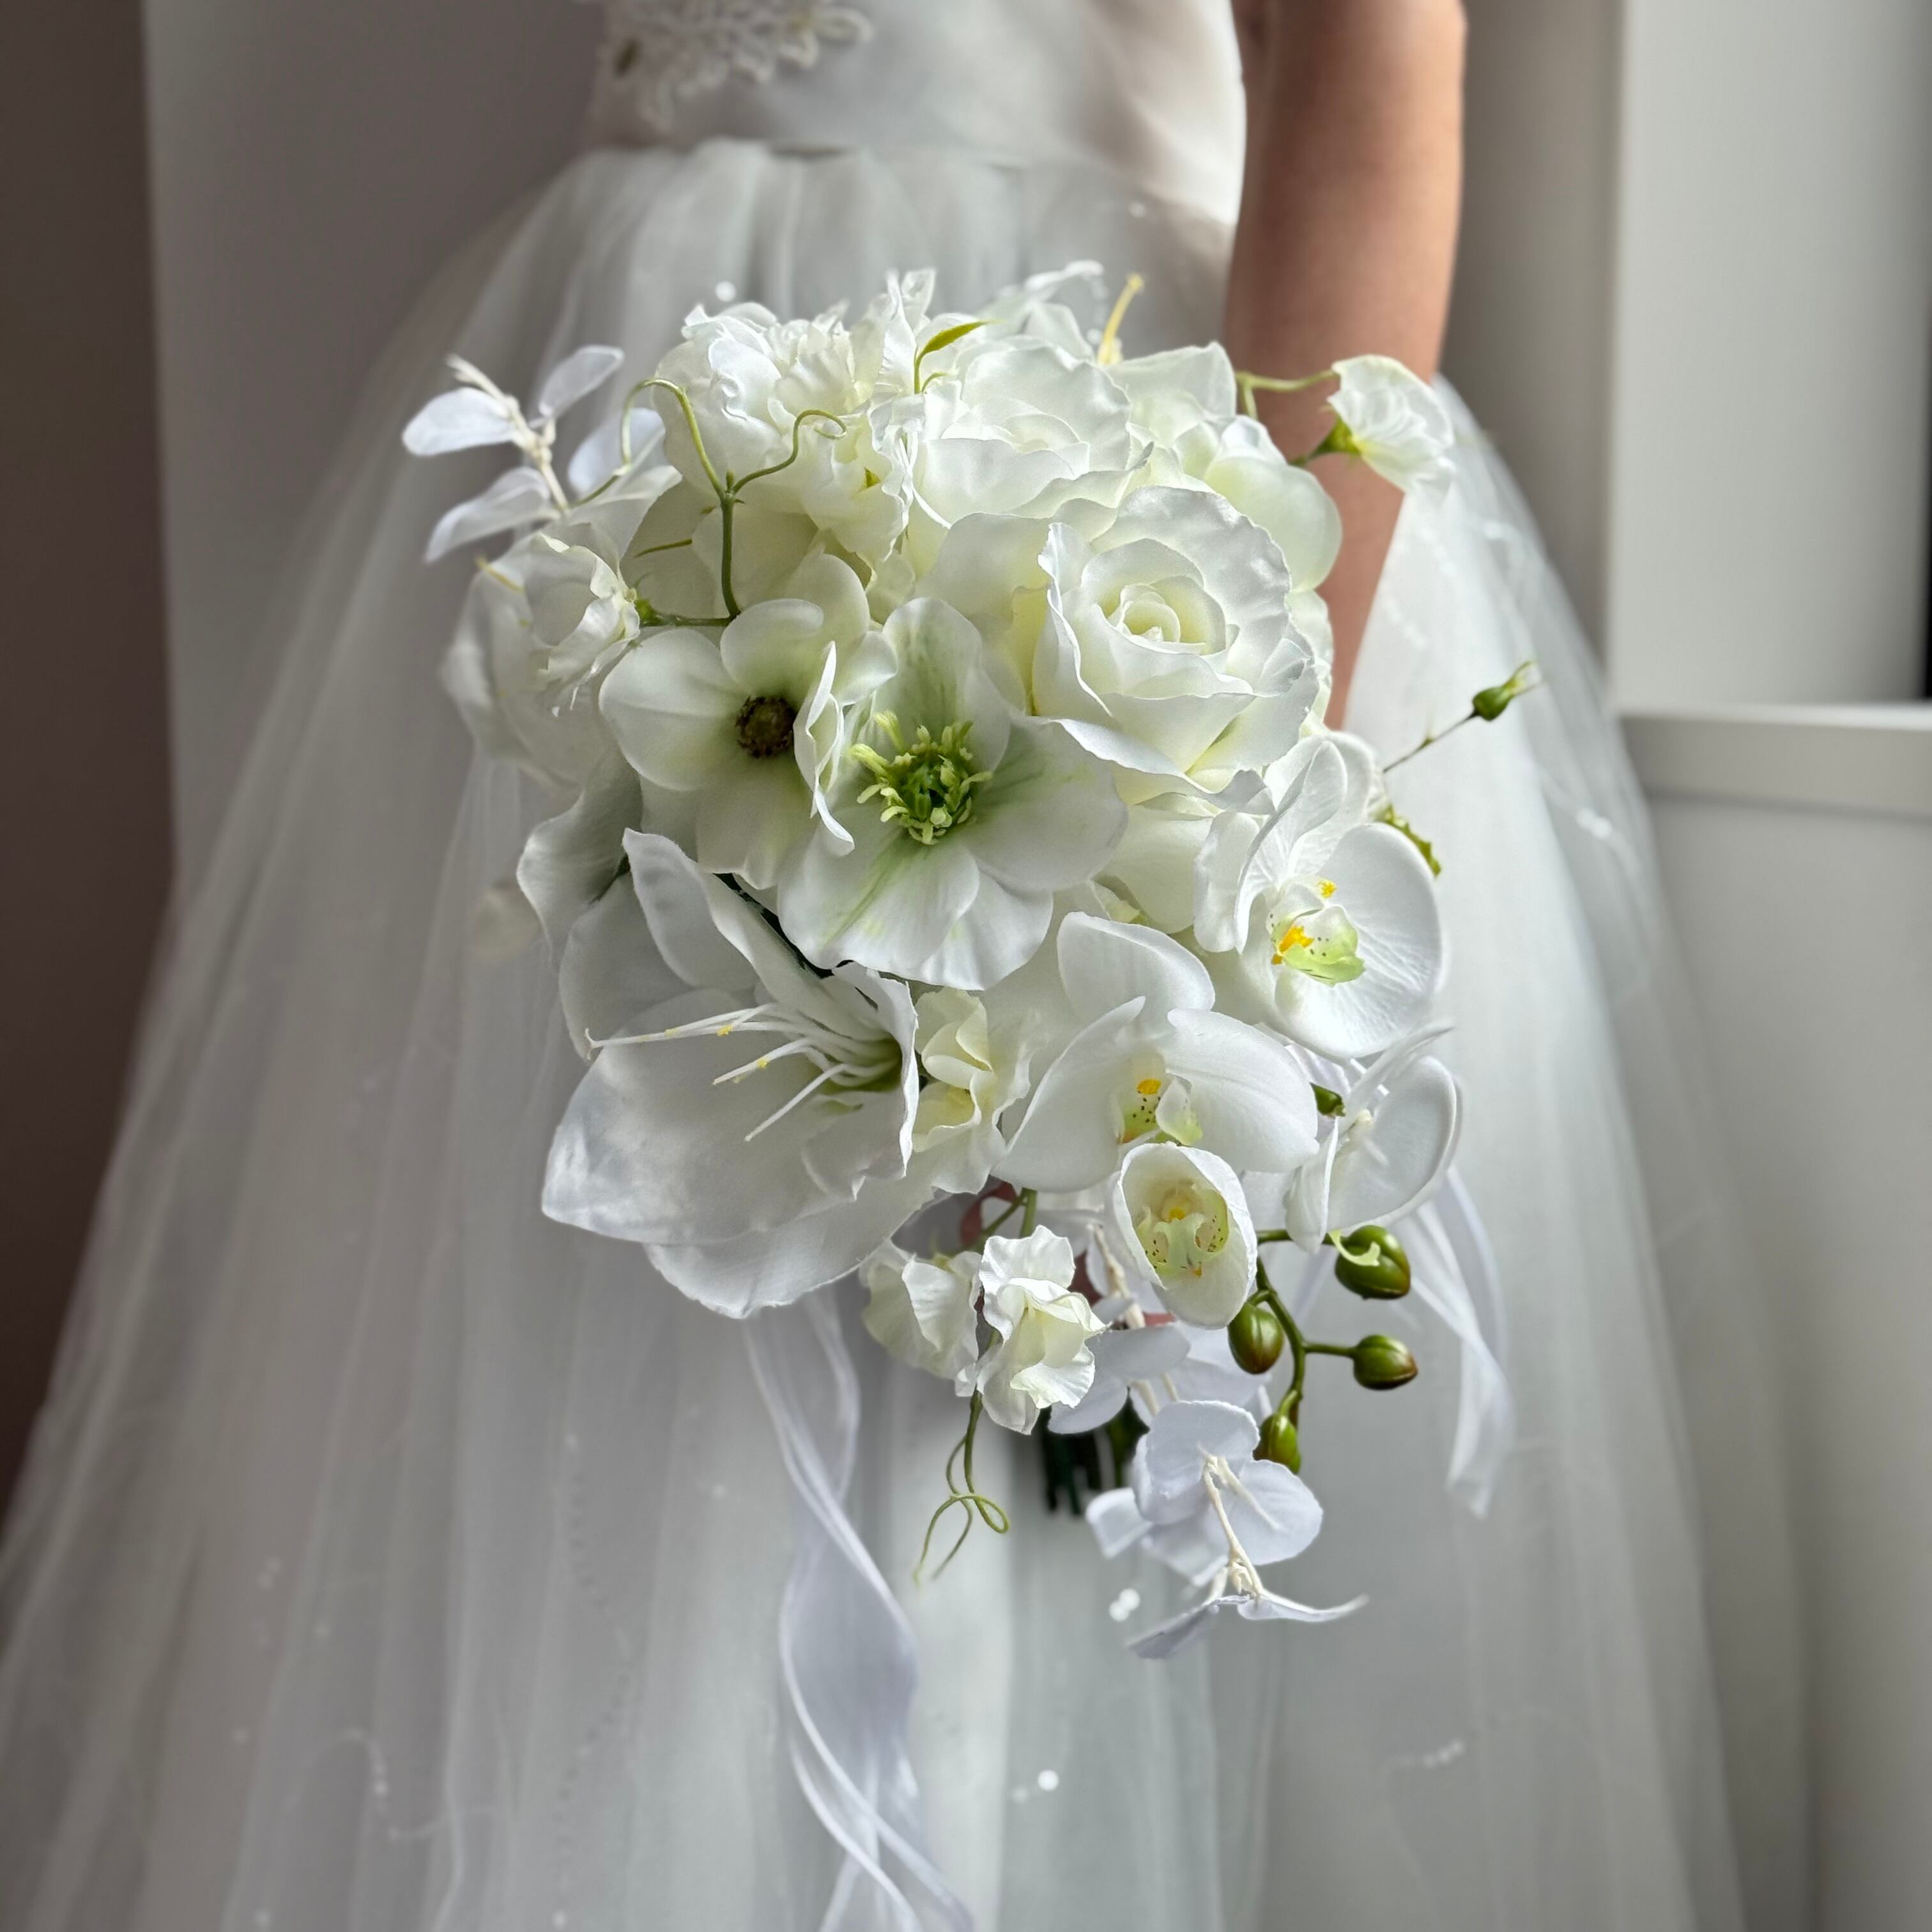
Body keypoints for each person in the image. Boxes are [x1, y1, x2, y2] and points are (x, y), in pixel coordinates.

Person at [0, 3, 1803, 1928]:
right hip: (638, 428)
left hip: (1061, 442)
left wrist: (1205, 852)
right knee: (597, 1461)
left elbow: (1368, 60)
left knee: (1005, 1457)